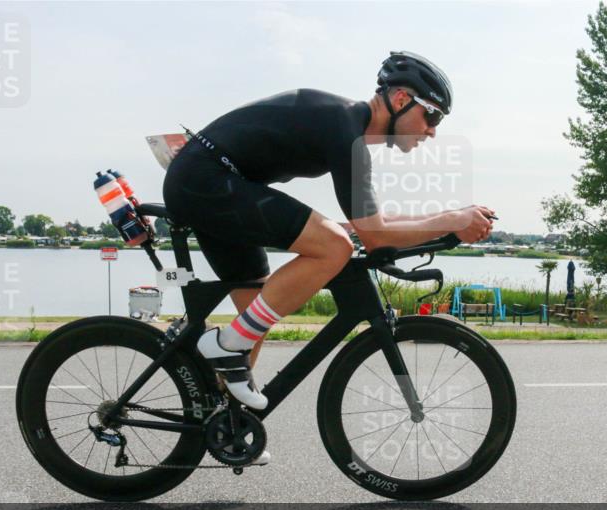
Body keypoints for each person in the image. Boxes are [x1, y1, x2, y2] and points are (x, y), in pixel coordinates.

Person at [162, 51, 494, 444]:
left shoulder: (347, 129)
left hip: (213, 183)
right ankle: (224, 345)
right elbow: (376, 236)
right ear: (402, 99)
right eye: (433, 116)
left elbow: (373, 226)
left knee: (254, 316)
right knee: (332, 247)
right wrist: (452, 221)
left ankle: (225, 426)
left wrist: (452, 216)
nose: (433, 131)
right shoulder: (345, 128)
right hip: (206, 181)